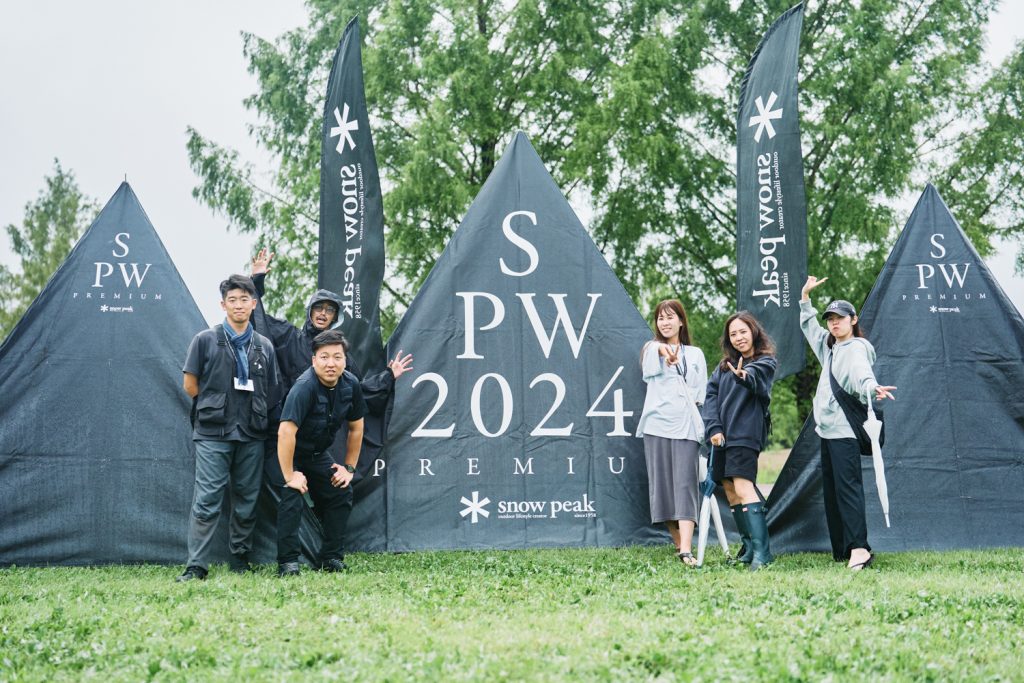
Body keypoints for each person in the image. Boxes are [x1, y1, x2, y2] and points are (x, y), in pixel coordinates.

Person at [178, 275, 280, 582]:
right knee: (207, 499)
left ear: (254, 304)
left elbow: (272, 390)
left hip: (252, 433)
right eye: (232, 300)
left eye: (244, 299)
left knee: (247, 499)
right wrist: (216, 405)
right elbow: (190, 385)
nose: (238, 305)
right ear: (223, 305)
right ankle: (196, 565)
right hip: (213, 434)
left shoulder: (264, 346)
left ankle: (239, 558)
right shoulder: (205, 340)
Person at [800, 276, 896, 571]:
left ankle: (859, 549)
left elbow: (860, 373)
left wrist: (871, 387)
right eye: (831, 319)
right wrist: (805, 298)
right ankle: (843, 548)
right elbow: (810, 329)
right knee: (832, 491)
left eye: (840, 318)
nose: (834, 323)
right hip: (828, 431)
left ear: (853, 320)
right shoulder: (830, 348)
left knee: (847, 489)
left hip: (844, 431)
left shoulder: (855, 348)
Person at [275, 330, 367, 576]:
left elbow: (356, 428)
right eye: (324, 357)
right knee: (292, 493)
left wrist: (348, 468)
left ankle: (331, 557)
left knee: (341, 490)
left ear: (345, 360)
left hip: (317, 454)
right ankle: (288, 562)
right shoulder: (304, 387)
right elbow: (285, 433)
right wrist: (290, 475)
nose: (331, 363)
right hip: (287, 452)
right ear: (314, 360)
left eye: (337, 357)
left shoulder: (351, 384)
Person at [702, 312, 777, 571]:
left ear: (753, 332)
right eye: (733, 334)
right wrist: (713, 428)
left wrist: (743, 375)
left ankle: (763, 554)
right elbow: (710, 397)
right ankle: (749, 549)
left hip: (746, 435)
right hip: (721, 437)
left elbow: (754, 378)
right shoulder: (723, 367)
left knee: (744, 488)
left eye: (743, 331)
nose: (738, 338)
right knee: (731, 490)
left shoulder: (764, 362)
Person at [635, 299, 708, 566]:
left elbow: (701, 393)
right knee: (662, 487)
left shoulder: (696, 354)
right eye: (660, 318)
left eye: (670, 317)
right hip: (656, 426)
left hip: (686, 425)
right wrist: (664, 351)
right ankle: (678, 543)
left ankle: (687, 548)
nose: (665, 322)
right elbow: (656, 351)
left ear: (681, 321)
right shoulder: (650, 349)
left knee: (685, 485)